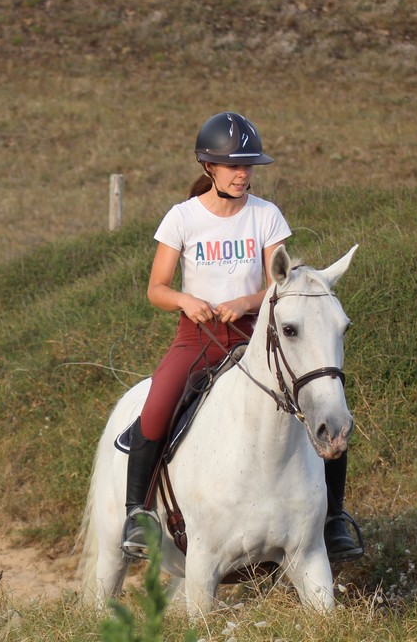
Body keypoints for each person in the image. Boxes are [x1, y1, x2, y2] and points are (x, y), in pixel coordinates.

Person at [121, 111, 364, 564]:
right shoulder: (182, 218)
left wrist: (248, 302)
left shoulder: (266, 215)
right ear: (208, 167)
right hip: (197, 337)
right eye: (233, 166)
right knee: (156, 406)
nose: (243, 174)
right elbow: (156, 288)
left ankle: (333, 520)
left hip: (257, 337)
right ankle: (137, 512)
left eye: (248, 165)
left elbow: (279, 285)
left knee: (325, 404)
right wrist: (185, 301)